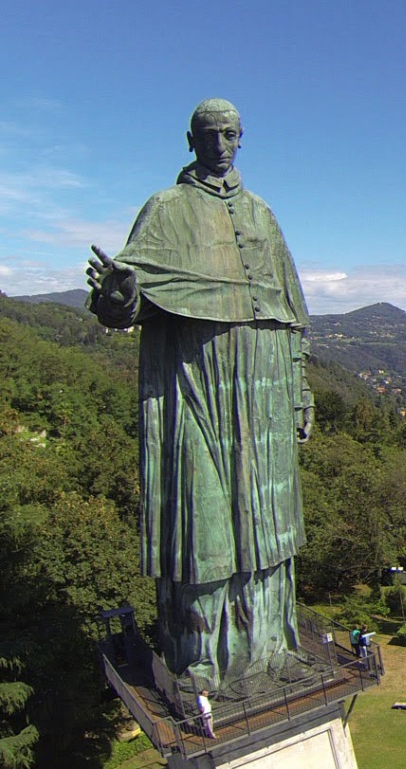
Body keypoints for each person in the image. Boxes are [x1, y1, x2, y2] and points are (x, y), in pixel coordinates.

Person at [87, 99, 313, 691]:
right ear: (190, 140)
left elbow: (289, 314)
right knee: (204, 522)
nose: (219, 143)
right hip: (195, 384)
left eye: (230, 133)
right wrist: (117, 296)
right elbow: (125, 300)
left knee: (269, 523)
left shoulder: (263, 214)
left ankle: (271, 644)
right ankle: (203, 655)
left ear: (243, 140)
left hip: (262, 391)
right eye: (208, 134)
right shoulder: (164, 209)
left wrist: (300, 393)